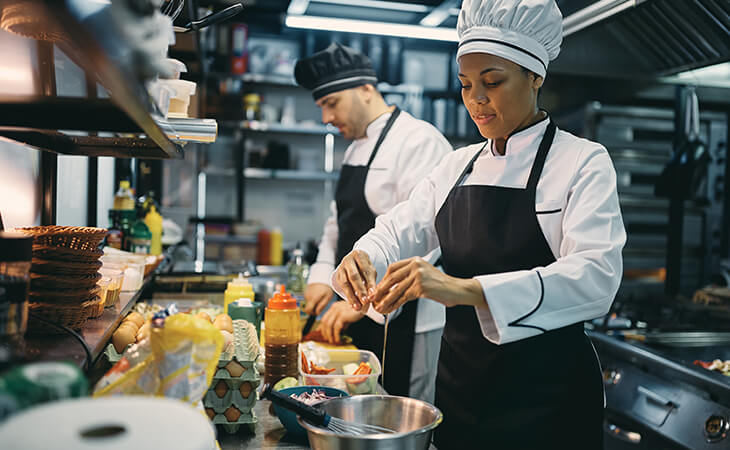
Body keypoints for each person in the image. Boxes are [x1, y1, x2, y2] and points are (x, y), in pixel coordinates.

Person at [331, 0, 626, 448]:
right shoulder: (457, 166)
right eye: (466, 85)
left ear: (535, 77)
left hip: (549, 400)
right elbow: (398, 228)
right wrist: (364, 255)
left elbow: (595, 278)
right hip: (462, 392)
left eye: (492, 82)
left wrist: (465, 289)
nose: (476, 100)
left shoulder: (583, 162)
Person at [294, 43, 452, 403]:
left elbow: (429, 244)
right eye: (321, 107)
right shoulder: (354, 149)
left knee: (398, 409)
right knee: (358, 407)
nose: (325, 118)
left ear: (366, 89)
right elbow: (338, 225)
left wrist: (363, 304)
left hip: (408, 316)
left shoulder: (419, 141)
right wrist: (321, 278)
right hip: (356, 309)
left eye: (331, 103)